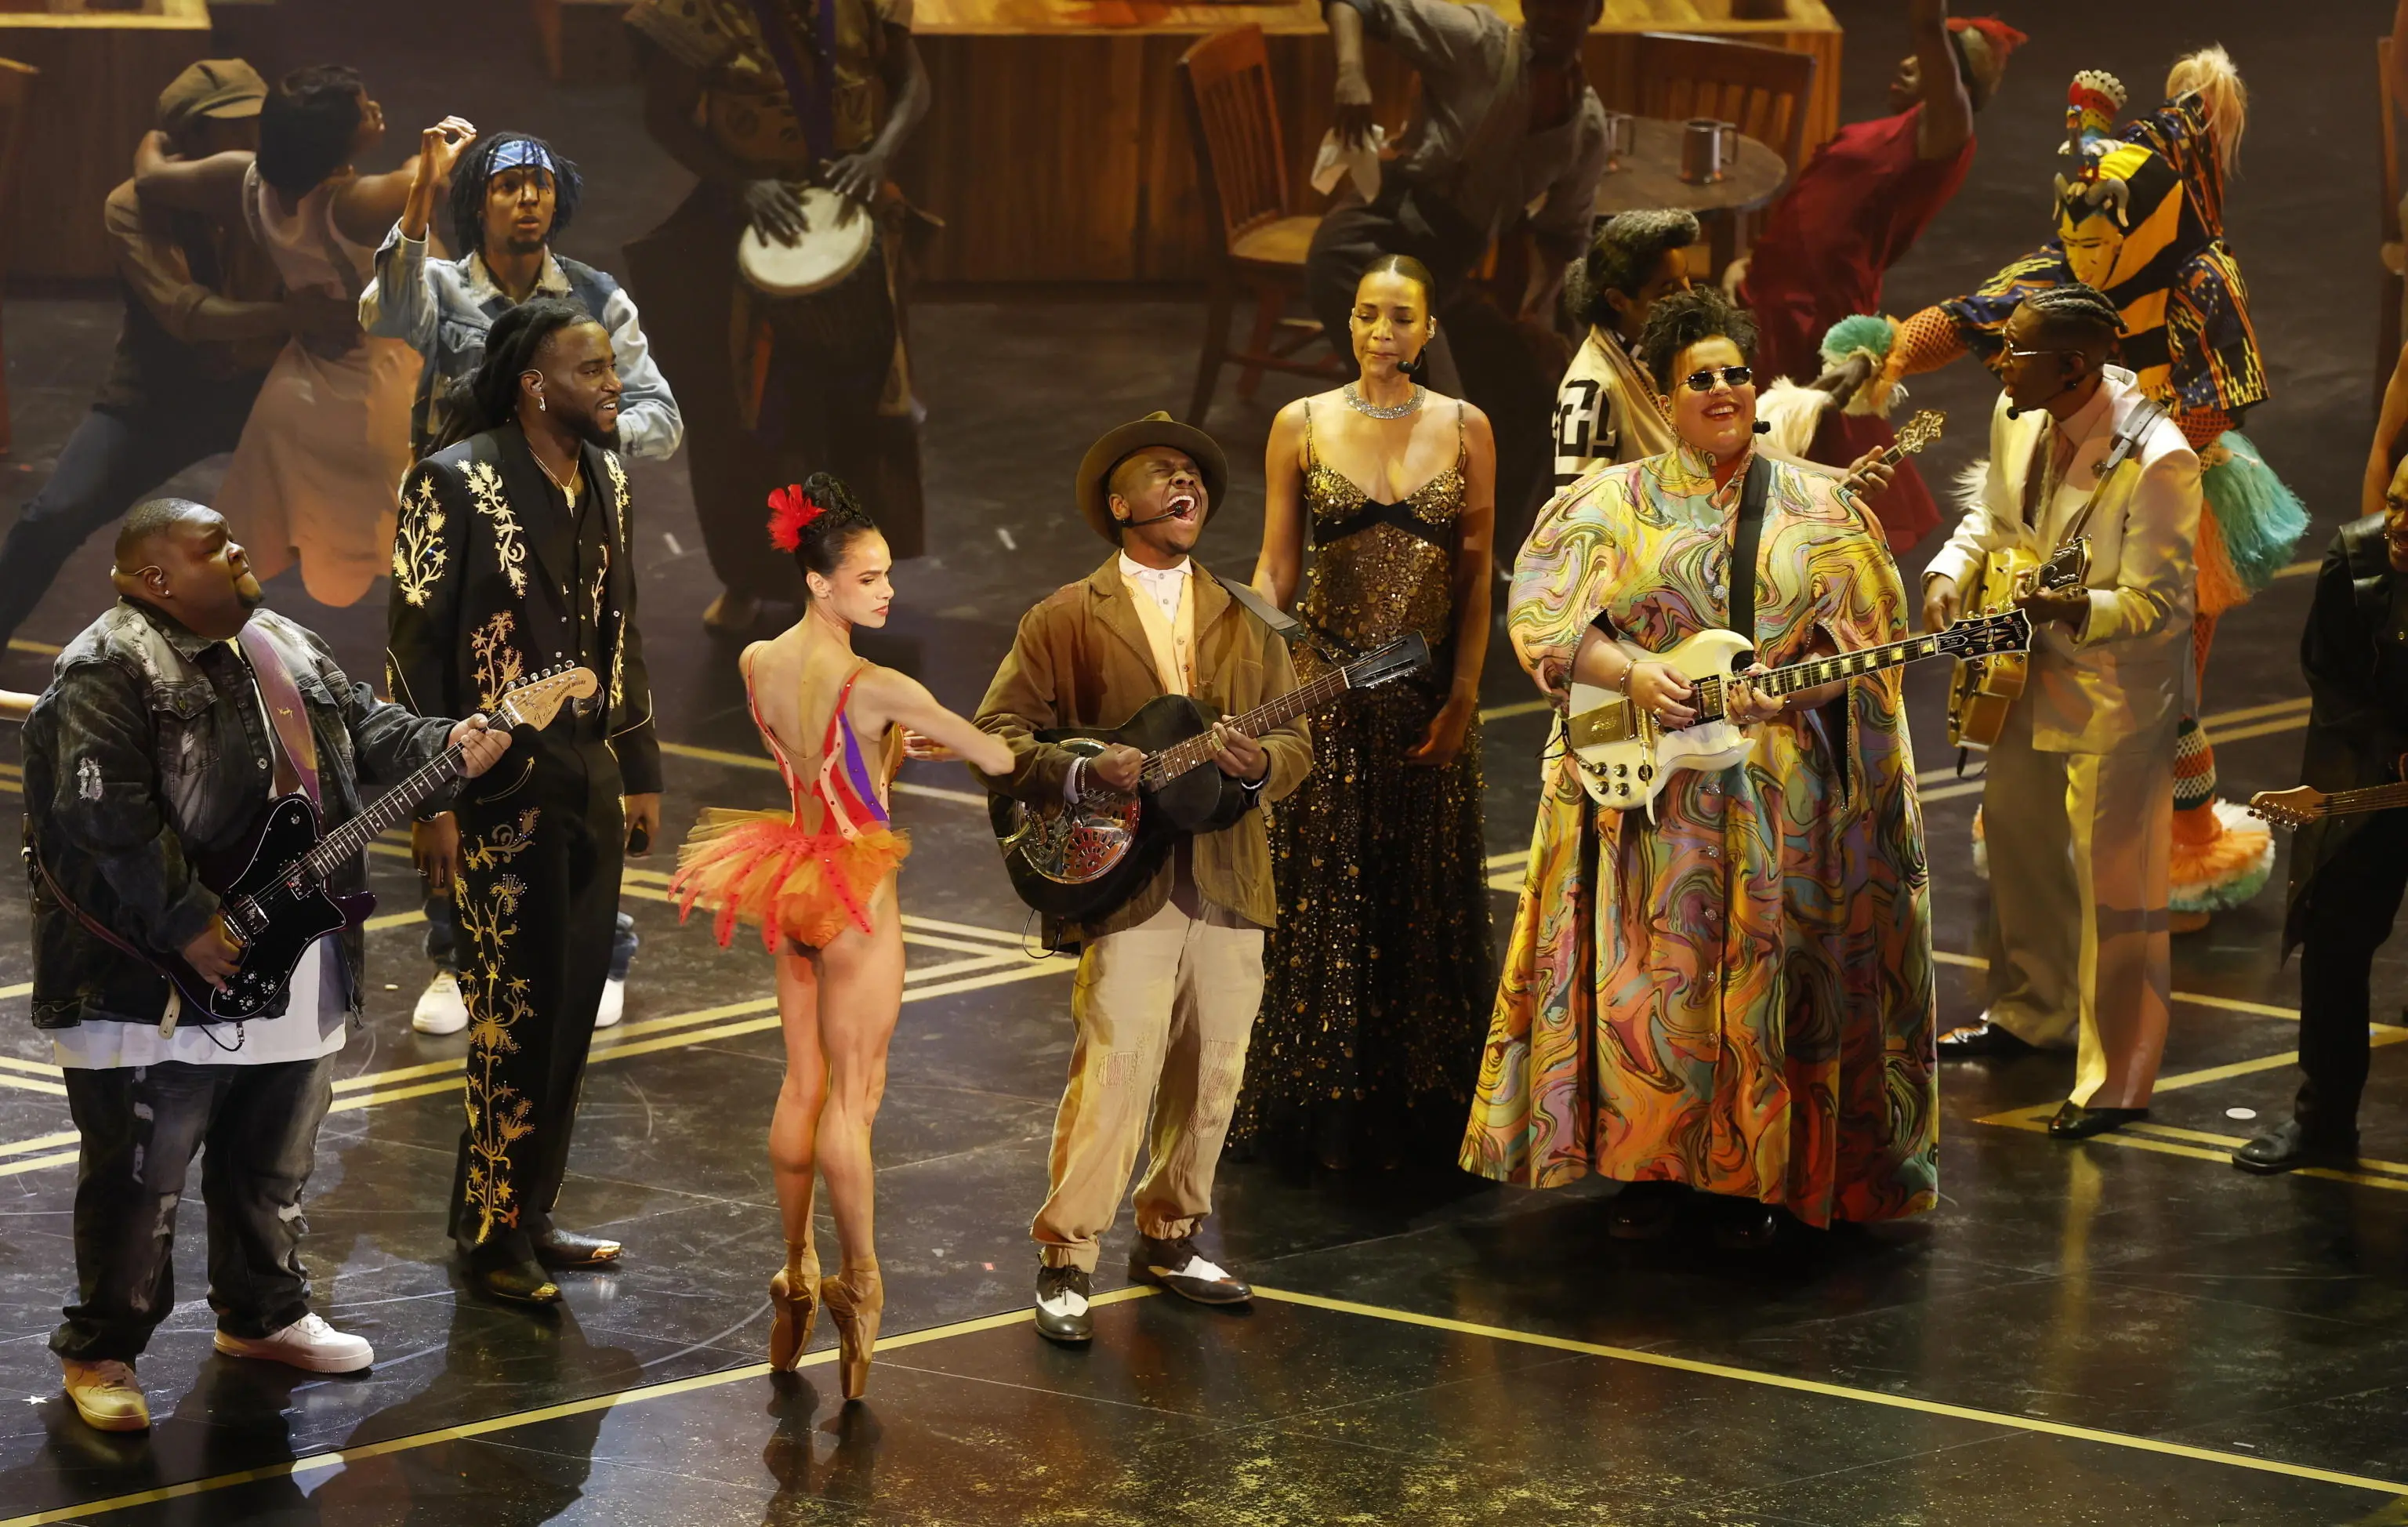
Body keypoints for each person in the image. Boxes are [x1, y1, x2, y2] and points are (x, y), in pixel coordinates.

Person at [20, 499, 509, 1432]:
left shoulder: (281, 639)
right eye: (216, 547)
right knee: (140, 1180)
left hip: (293, 946)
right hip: (151, 974)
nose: (241, 552)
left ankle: (265, 1313)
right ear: (154, 577)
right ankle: (102, 1348)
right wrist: (187, 918)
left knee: (271, 1159)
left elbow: (366, 732)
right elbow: (102, 817)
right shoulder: (106, 665)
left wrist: (447, 747)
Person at [1462, 288, 1937, 1247]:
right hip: (1650, 807)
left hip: (1776, 807)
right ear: (1665, 394)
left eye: (1735, 372)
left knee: (1771, 986)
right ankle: (1656, 1165)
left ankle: (1767, 1169)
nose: (1724, 390)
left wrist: (1791, 694)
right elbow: (1546, 623)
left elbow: (1871, 652)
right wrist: (1633, 673)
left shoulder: (1822, 505)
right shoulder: (1604, 505)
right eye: (1700, 378)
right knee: (1653, 985)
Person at [1860, 52, 2301, 926]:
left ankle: (2175, 852)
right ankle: (2048, 830)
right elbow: (1968, 316)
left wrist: (2132, 446)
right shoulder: (2062, 266)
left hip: (2172, 492)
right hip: (2066, 490)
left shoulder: (2201, 276)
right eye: (2077, 224)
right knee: (2051, 675)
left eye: (2103, 225)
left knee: (2164, 684)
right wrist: (1891, 353)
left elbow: (2222, 400)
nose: (2087, 243)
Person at [973, 413, 1313, 1344]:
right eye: (1164, 475)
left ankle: (1172, 1232)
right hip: (1127, 876)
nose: (1187, 486)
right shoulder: (1064, 617)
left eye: (1196, 476)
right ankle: (1068, 1252)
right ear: (1120, 505)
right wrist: (1085, 767)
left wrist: (1252, 766)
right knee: (1117, 1065)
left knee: (1215, 1070)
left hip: (1230, 874)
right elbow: (997, 736)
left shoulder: (1251, 617)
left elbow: (1297, 747)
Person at [672, 476, 1012, 1398]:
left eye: (886, 575)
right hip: (857, 893)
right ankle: (860, 1285)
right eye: (867, 578)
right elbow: (998, 756)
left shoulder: (755, 661)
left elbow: (836, 758)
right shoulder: (879, 682)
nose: (886, 591)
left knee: (801, 1086)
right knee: (852, 1103)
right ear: (820, 583)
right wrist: (954, 734)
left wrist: (903, 742)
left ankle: (794, 1266)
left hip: (790, 875)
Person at [361, 122, 682, 1037]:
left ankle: (599, 941)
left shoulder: (592, 297)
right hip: (458, 533)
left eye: (543, 183)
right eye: (508, 185)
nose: (529, 198)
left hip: (562, 537)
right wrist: (424, 185)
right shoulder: (441, 285)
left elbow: (656, 408)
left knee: (573, 727)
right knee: (453, 725)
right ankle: (459, 957)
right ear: (481, 202)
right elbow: (381, 314)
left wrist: (579, 437)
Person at [386, 299, 662, 1305]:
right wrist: (431, 798)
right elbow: (412, 650)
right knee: (509, 1013)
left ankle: (532, 1213)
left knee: (574, 1010)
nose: (612, 382)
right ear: (536, 383)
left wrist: (640, 768)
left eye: (612, 367)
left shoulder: (611, 478)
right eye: (592, 370)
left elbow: (620, 631)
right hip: (493, 790)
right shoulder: (452, 480)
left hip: (587, 779)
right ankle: (487, 1232)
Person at [1920, 285, 2203, 1138]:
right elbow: (1995, 514)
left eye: (2015, 349)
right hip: (2023, 667)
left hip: (2116, 692)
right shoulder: (2021, 410)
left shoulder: (2159, 460)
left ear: (2074, 365)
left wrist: (2077, 610)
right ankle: (2032, 1013)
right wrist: (1946, 568)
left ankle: (2117, 1076)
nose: (1998, 362)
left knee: (2117, 888)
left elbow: (2163, 607)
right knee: (2019, 840)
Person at [1231, 256, 1493, 1170]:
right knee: (1324, 909)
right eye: (1370, 316)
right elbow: (1277, 570)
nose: (1385, 333)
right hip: (1328, 695)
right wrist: (1264, 679)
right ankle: (1315, 1105)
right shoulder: (1299, 423)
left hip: (1424, 699)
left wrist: (1464, 695)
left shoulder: (1467, 429)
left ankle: (1415, 1110)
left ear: (1428, 331)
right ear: (1349, 323)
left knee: (1415, 902)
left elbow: (1473, 580)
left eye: (1403, 319)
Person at [0, 60, 357, 652]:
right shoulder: (132, 207)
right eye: (235, 129)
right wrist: (292, 316)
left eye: (258, 126)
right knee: (53, 514)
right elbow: (187, 316)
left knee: (392, 504)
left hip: (268, 390)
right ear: (191, 140)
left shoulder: (275, 191)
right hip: (160, 397)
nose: (254, 144)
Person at [626, 0, 932, 635]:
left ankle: (849, 579)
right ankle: (748, 579)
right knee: (754, 430)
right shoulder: (703, 11)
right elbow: (664, 115)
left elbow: (913, 84)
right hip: (750, 223)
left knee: (861, 419)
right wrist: (741, 184)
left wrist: (879, 156)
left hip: (856, 216)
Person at [129, 66, 446, 608]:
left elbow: (151, 175)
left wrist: (158, 135)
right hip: (383, 379)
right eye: (363, 110)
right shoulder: (359, 203)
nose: (376, 111)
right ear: (335, 140)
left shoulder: (245, 180)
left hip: (307, 376)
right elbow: (428, 174)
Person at [1309, 0, 1609, 554]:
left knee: (1533, 401)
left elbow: (1565, 238)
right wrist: (1351, 76)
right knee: (1446, 426)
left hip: (1442, 276)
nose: (1552, 13)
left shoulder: (1586, 128)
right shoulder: (1477, 42)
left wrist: (1535, 314)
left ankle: (1496, 567)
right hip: (1372, 249)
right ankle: (1411, 582)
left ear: (1594, 10)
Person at [1733, 0, 2024, 553]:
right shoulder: (1899, 128)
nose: (1905, 67)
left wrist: (1929, 25)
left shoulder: (1945, 132)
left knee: (1806, 443)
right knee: (1774, 437)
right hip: (1781, 292)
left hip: (1816, 304)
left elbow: (1926, 28)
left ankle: (1807, 558)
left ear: (1949, 80)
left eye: (1923, 63)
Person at [2232, 473, 2408, 1174]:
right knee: (2335, 944)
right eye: (2395, 502)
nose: (2397, 523)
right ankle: (2323, 1120)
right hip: (2370, 782)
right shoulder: (2356, 557)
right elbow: (2328, 674)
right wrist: (2393, 750)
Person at [1549, 209, 1694, 495]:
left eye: (1686, 277)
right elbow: (1579, 516)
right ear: (1618, 300)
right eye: (1667, 289)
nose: (1687, 295)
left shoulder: (1662, 349)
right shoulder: (1590, 390)